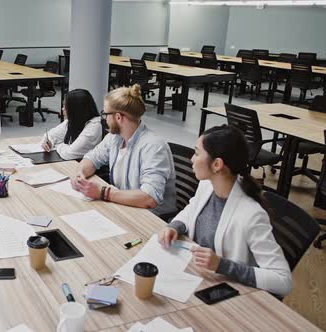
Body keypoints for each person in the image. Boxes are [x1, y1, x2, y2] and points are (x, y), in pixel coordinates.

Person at [158, 125, 292, 297]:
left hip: (225, 294)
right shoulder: (208, 184)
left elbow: (283, 281)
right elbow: (192, 209)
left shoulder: (251, 215)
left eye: (197, 153)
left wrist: (221, 265)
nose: (192, 159)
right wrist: (175, 226)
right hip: (195, 276)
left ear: (217, 164)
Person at [71, 84, 176, 216]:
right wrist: (80, 174)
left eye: (105, 114)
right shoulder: (115, 138)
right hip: (124, 208)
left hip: (151, 218)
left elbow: (150, 198)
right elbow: (92, 158)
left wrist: (103, 192)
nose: (104, 119)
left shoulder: (154, 147)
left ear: (118, 117)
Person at [40, 89, 102, 160]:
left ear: (76, 110)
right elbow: (51, 134)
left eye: (65, 107)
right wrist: (48, 142)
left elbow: (69, 154)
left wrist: (58, 145)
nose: (62, 109)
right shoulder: (75, 120)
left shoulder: (94, 127)